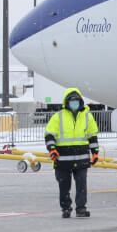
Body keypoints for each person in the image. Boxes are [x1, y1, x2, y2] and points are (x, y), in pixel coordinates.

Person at [44, 87, 100, 219]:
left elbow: (92, 136)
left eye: (76, 101)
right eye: (72, 101)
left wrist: (95, 152)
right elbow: (49, 134)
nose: (74, 103)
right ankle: (66, 208)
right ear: (67, 102)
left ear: (80, 101)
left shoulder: (87, 116)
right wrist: (52, 149)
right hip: (63, 158)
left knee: (81, 185)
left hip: (81, 158)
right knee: (64, 186)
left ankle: (81, 208)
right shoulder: (58, 117)